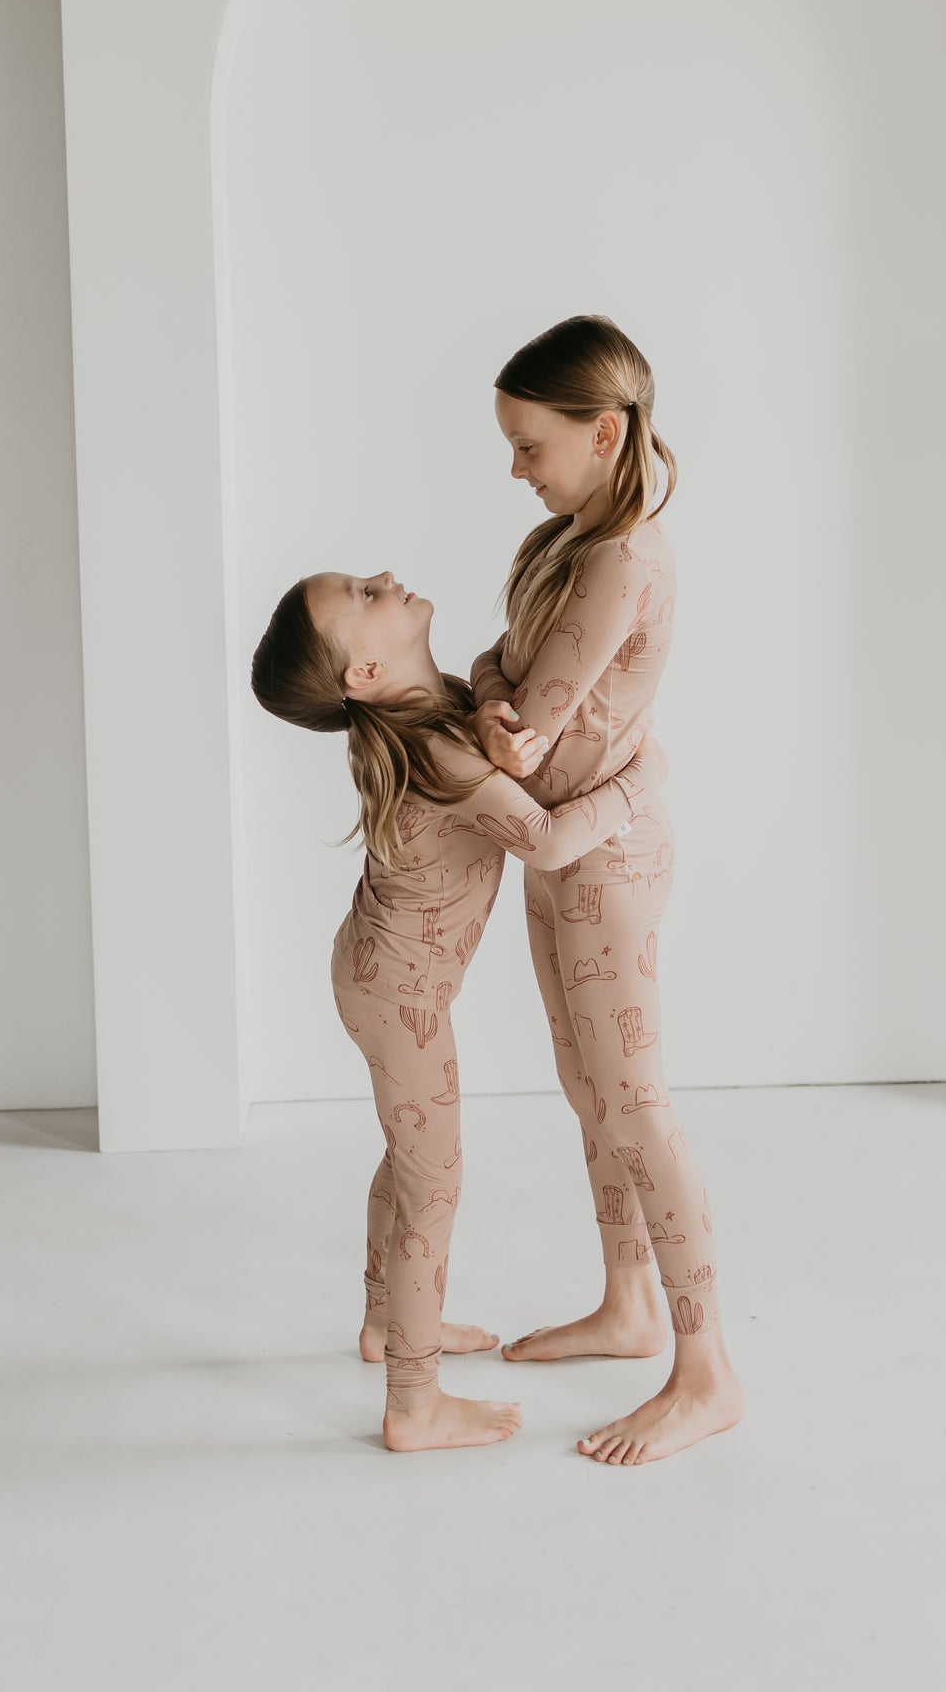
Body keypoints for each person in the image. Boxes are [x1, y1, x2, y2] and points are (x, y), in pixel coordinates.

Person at [250, 563, 664, 1453]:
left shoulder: (431, 707)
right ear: (363, 675)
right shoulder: (437, 753)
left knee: (408, 1161)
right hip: (399, 998)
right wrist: (636, 783)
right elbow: (549, 843)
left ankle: (381, 1323)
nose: (385, 578)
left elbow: (485, 674)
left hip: (373, 975)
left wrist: (485, 710)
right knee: (432, 1185)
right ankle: (412, 1401)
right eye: (362, 595)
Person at [469, 314, 744, 1464]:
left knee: (636, 1104)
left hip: (602, 861)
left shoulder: (620, 555)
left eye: (530, 443)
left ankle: (707, 1366)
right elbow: (499, 670)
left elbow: (521, 726)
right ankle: (627, 1302)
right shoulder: (564, 541)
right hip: (566, 845)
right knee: (588, 1088)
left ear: (604, 431)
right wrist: (498, 695)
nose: (515, 467)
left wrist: (501, 705)